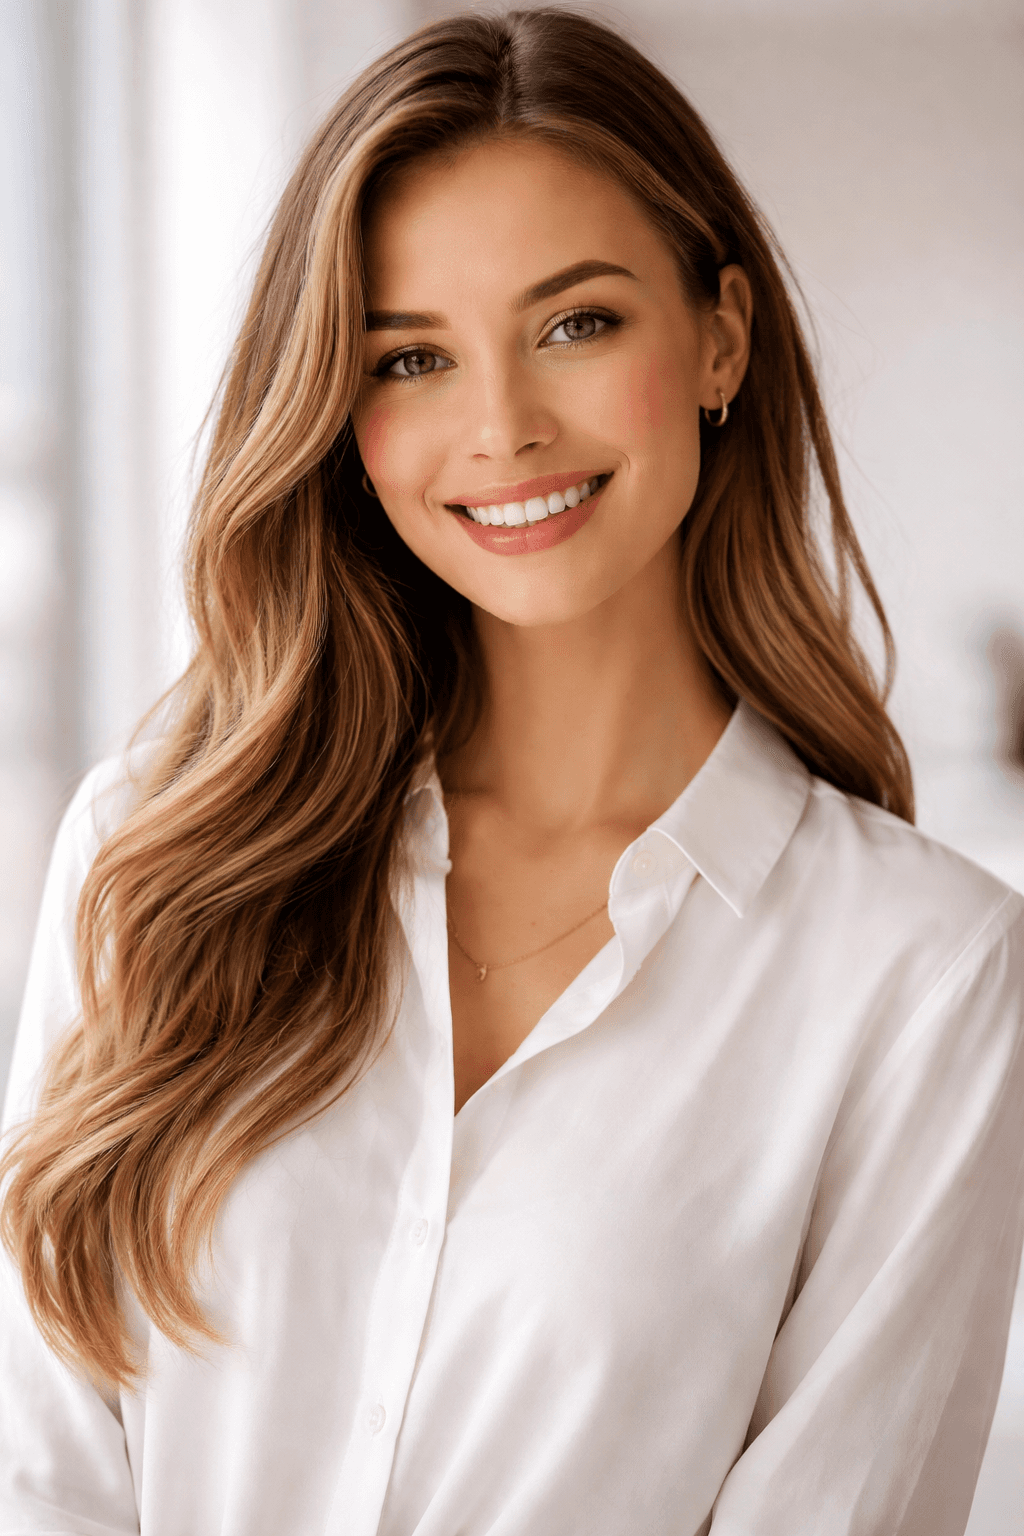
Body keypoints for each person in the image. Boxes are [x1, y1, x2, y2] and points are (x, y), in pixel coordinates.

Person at [1, 9, 1022, 1534]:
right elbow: (39, 1466)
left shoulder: (922, 975)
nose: (501, 428)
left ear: (720, 335)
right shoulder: (157, 852)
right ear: (341, 417)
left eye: (577, 324)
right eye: (411, 357)